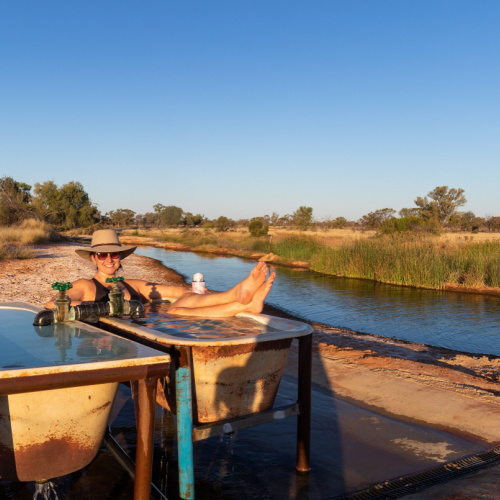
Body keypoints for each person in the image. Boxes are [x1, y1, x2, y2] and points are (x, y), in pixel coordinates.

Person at [45, 229, 275, 317]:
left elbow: (176, 290)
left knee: (179, 301)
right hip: (112, 342)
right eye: (103, 255)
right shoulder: (86, 285)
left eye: (114, 255)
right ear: (94, 258)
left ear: (121, 257)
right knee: (175, 311)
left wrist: (197, 293)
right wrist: (100, 308)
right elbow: (52, 303)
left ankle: (240, 301)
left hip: (145, 334)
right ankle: (238, 300)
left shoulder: (130, 285)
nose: (109, 260)